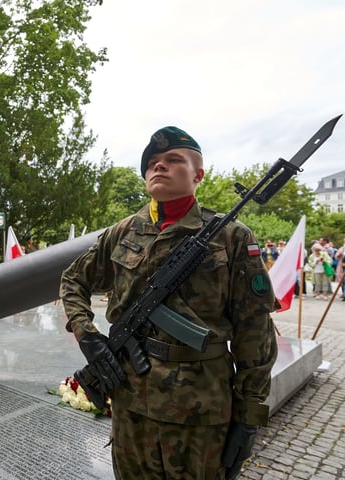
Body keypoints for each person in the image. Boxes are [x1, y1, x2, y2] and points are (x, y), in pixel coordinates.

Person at [61, 126, 278, 479]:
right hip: (131, 404)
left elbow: (255, 331)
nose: (158, 167)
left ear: (198, 175)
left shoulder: (232, 237)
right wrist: (88, 336)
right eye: (152, 163)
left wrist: (249, 415)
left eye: (173, 160)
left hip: (200, 411)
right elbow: (72, 279)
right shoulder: (123, 231)